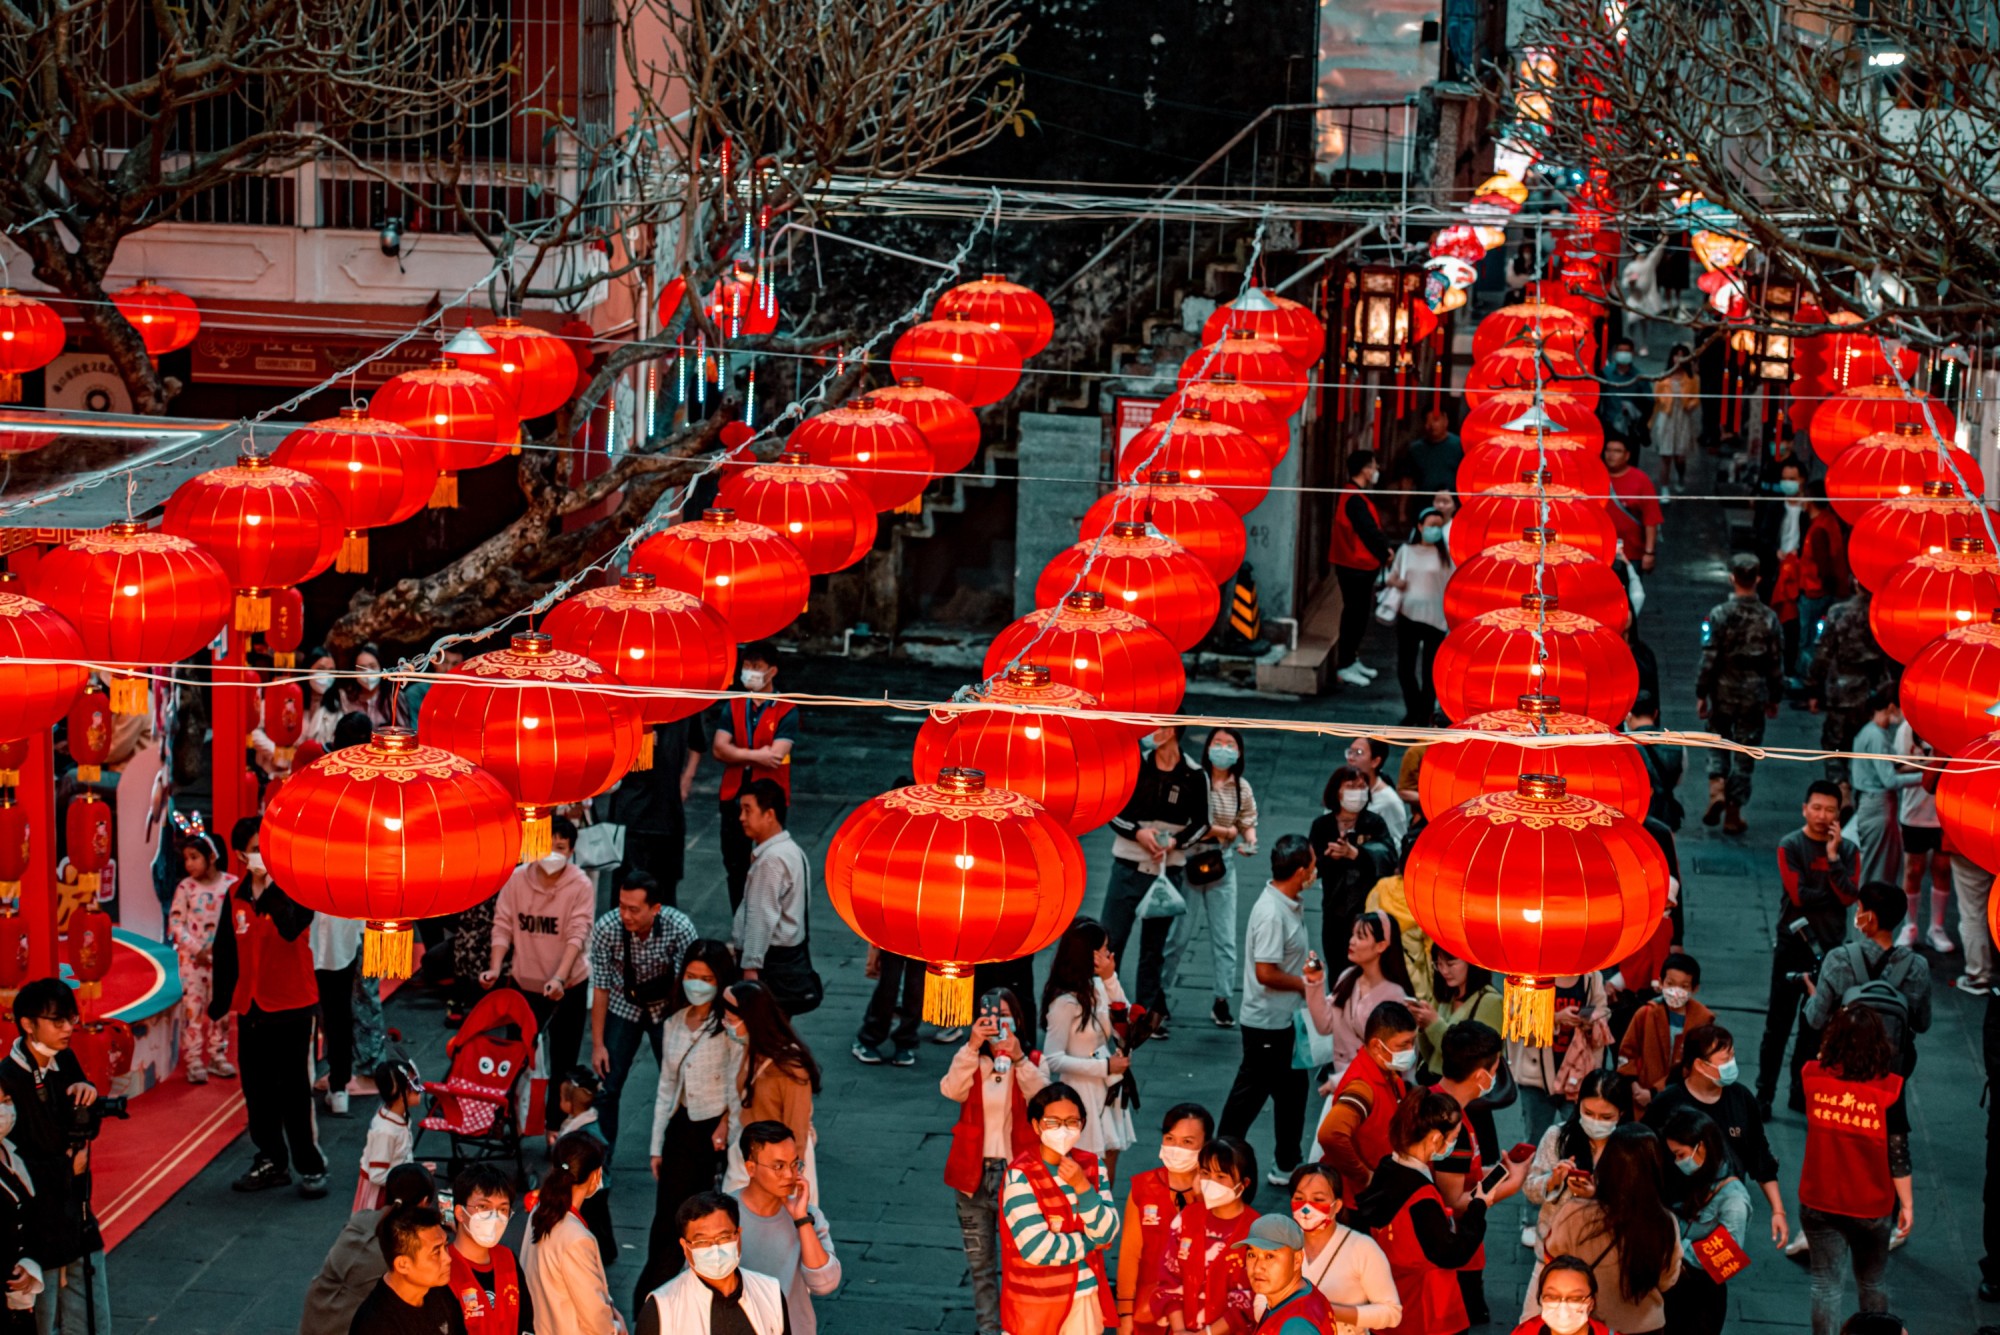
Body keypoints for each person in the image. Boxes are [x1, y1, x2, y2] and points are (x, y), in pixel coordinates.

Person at [211, 816, 327, 1196]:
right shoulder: (235, 896)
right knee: (257, 1089)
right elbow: (225, 950)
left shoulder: (298, 888)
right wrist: (220, 1000)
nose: (260, 855)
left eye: (266, 848)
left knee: (294, 1091)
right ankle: (270, 1160)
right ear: (242, 856)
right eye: (254, 849)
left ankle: (310, 1166)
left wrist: (271, 887)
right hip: (252, 1008)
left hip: (293, 1005)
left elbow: (293, 927)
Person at [1354, 1088, 1527, 1333]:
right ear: (1436, 1139)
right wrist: (1478, 1206)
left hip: (1390, 1296)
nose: (1454, 1144)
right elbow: (1452, 1253)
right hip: (1425, 1311)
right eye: (1454, 1137)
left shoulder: (1387, 1167)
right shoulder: (1421, 1197)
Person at [0, 980, 108, 1335]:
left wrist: (87, 1092)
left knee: (90, 1311)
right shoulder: (8, 1080)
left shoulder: (64, 1058)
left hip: (74, 1206)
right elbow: (15, 1164)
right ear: (28, 1024)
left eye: (71, 1018)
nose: (68, 1028)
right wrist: (67, 1165)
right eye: (57, 1020)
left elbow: (84, 1126)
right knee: (39, 1320)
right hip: (34, 1223)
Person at [640, 940, 745, 1306]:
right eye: (690, 975)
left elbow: (738, 1082)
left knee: (708, 1216)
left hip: (714, 1131)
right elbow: (666, 1086)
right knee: (666, 1218)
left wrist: (728, 1127)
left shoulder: (727, 1027)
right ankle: (657, 1293)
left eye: (706, 978)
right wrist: (656, 1146)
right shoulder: (673, 1023)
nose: (696, 983)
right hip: (681, 1129)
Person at [1800, 1004, 1911, 1335]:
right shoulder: (1890, 1089)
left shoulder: (1811, 1076)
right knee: (1872, 1281)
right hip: (1870, 1204)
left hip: (1819, 1199)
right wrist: (1906, 1204)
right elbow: (1898, 1153)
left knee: (1825, 1285)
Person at [484, 814, 595, 1130]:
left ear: (571, 851)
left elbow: (577, 934)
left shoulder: (580, 886)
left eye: (560, 847)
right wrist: (495, 968)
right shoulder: (517, 879)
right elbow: (503, 925)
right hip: (524, 983)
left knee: (563, 1060)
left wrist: (559, 977)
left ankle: (554, 1124)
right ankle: (503, 1118)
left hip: (568, 986)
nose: (553, 852)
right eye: (548, 845)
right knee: (514, 1057)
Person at [945, 989, 1047, 1335]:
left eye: (1005, 1016)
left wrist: (1019, 1060)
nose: (998, 1024)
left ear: (1017, 1020)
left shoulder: (1031, 1058)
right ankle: (989, 1328)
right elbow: (951, 1089)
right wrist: (972, 1046)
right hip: (972, 1173)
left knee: (1019, 1260)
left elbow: (1043, 1101)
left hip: (1016, 1174)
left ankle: (1017, 1325)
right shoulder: (972, 1059)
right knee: (980, 1263)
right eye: (991, 1017)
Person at [1760, 781, 1862, 1116]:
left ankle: (1799, 1092)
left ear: (1838, 814)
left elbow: (1850, 898)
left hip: (1831, 950)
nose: (1822, 815)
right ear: (1804, 808)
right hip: (1792, 944)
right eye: (1816, 808)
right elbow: (1799, 895)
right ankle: (1765, 1094)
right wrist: (1834, 890)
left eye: (1830, 810)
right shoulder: (1790, 845)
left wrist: (1833, 859)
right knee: (1778, 1023)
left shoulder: (1848, 851)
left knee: (1815, 1027)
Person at [1218, 838, 1314, 1187]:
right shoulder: (1272, 913)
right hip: (1268, 1025)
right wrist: (1305, 984)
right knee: (1250, 1096)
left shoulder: (1287, 904)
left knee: (1292, 1093)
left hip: (1283, 1022)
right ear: (1301, 871)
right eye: (1312, 865)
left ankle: (1287, 1162)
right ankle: (1220, 1156)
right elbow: (1266, 972)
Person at [1644, 1023, 1787, 1249]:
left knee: (1714, 1273)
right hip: (1672, 1212)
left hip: (1716, 1218)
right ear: (1700, 1065)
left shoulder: (1742, 1099)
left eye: (1732, 1056)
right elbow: (1644, 1155)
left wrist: (1777, 1210)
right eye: (1725, 1059)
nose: (1732, 1063)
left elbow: (1760, 1158)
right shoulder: (1667, 1103)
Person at [1103, 725, 1210, 1023]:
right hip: (1128, 865)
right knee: (1111, 940)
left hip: (1167, 870)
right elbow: (1111, 808)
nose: (1150, 732)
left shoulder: (1193, 774)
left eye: (1158, 725)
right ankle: (1107, 1006)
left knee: (1154, 947)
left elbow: (1202, 822)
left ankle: (1147, 1012)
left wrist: (1177, 842)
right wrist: (1138, 833)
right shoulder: (1134, 765)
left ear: (1174, 731)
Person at [588, 868, 698, 1150]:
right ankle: (601, 1161)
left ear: (656, 909)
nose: (626, 915)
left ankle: (675, 1151)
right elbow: (600, 988)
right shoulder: (607, 928)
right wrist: (598, 1044)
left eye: (634, 910)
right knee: (607, 1085)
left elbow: (688, 986)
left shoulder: (680, 928)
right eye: (622, 906)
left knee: (678, 1083)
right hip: (623, 1005)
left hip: (667, 1008)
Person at [1534, 1124, 1681, 1333]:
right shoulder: (1665, 1222)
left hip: (1589, 1324)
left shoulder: (1575, 1213)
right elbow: (1667, 1281)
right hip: (1646, 1325)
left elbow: (1555, 1261)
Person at [1000, 1083, 1121, 1335]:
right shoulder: (1021, 1175)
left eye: (1071, 1121)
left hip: (1085, 1295)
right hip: (1033, 1303)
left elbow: (1107, 1232)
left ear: (1082, 1123)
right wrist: (1089, 1243)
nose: (1063, 1130)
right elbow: (1036, 1248)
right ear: (1036, 1125)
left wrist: (1082, 1187)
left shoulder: (1093, 1167)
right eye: (1052, 1122)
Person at [1696, 552, 1785, 834]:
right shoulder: (1769, 618)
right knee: (1746, 753)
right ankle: (1733, 813)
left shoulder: (1719, 615)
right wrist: (1774, 697)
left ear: (1732, 577)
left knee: (1718, 741)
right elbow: (1776, 663)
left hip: (1722, 690)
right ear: (1758, 579)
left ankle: (1717, 790)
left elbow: (1708, 658)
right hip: (1754, 694)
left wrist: (1702, 692)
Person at [1175, 729, 1258, 1030]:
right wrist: (1225, 832)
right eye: (1217, 743)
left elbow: (1248, 822)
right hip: (1189, 860)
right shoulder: (1196, 780)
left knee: (1224, 939)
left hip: (1222, 864)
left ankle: (1222, 999)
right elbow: (1190, 823)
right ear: (1208, 747)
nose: (1223, 749)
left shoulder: (1241, 788)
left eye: (1230, 744)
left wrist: (1250, 841)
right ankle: (1160, 995)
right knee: (1178, 935)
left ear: (1239, 752)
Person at [1042, 919, 1135, 1181]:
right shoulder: (1064, 1003)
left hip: (1108, 1084)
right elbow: (1053, 1059)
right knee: (1089, 1160)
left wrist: (1110, 979)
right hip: (1081, 1089)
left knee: (1111, 1151)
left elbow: (1125, 1024)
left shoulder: (1097, 987)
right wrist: (1104, 1067)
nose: (1109, 955)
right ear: (1090, 954)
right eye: (1105, 949)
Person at [1428, 1022, 1508, 1323]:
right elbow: (1455, 1203)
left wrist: (1491, 1172)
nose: (1498, 1073)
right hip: (1454, 1254)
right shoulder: (1452, 1129)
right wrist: (1511, 1184)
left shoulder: (1436, 1099)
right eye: (1497, 1066)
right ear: (1480, 1075)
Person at [729, 1121, 839, 1335]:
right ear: (751, 1168)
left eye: (794, 1164)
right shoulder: (724, 1215)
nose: (789, 1175)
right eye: (778, 1166)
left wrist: (801, 1220)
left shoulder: (810, 1215)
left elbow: (825, 1284)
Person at [301, 1164, 437, 1335]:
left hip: (316, 1313)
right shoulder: (409, 1246)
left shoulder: (360, 1218)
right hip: (354, 1325)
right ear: (424, 1202)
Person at [711, 641, 797, 913]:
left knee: (769, 860)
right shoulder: (734, 705)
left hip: (769, 796)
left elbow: (777, 754)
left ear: (772, 671)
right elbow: (718, 748)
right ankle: (740, 919)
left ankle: (767, 918)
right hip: (733, 794)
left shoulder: (786, 709)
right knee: (734, 864)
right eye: (746, 667)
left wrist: (738, 752)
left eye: (756, 667)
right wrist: (757, 755)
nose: (749, 673)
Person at [637, 1192, 789, 1335]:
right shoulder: (662, 1308)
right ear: (685, 1247)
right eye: (702, 1241)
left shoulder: (770, 1292)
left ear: (738, 1236)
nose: (714, 1248)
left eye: (723, 1238)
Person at [1118, 1104, 1211, 1335]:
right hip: (1148, 1309)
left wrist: (1202, 1199)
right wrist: (1125, 1315)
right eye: (1170, 1138)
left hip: (1198, 1312)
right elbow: (1130, 1255)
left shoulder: (1217, 1192)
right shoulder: (1142, 1188)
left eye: (1187, 1142)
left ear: (1206, 1145)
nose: (1176, 1147)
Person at [1151, 1138, 1260, 1335]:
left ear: (1244, 1183)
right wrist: (1179, 1329)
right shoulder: (1186, 1219)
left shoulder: (1257, 1232)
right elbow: (1168, 1278)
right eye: (1205, 1173)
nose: (1211, 1183)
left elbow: (1250, 1298)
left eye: (1221, 1176)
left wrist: (1207, 1334)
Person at [722, 981, 821, 1198]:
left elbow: (797, 1129)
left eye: (730, 1020)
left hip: (779, 1163)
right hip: (746, 1154)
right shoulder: (747, 1049)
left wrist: (791, 1180)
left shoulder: (791, 1069)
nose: (726, 1025)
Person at [1659, 1108, 1752, 1335]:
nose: (1678, 1161)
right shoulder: (1694, 1179)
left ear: (1702, 1147)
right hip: (1673, 1288)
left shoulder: (1734, 1200)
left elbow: (1724, 1258)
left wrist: (1673, 1248)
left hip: (1701, 1298)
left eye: (1681, 1154)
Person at [1523, 1071, 1637, 1253]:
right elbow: (1530, 1189)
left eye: (1606, 1117)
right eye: (1588, 1113)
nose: (1596, 1122)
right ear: (1578, 1105)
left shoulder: (1631, 1147)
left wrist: (1596, 1196)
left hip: (1604, 1252)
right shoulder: (1558, 1136)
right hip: (1553, 1250)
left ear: (1621, 1113)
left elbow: (1638, 1205)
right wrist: (1552, 1181)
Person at [1317, 1002, 1420, 1203]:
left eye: (1413, 1042)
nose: (1411, 1050)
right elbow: (1330, 1134)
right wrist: (1363, 1175)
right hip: (1358, 1201)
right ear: (1375, 1045)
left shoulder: (1388, 1075)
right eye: (1403, 1045)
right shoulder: (1362, 1088)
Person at [522, 1133, 621, 1335]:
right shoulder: (577, 1238)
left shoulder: (540, 1211)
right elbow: (594, 1315)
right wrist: (616, 1327)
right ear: (595, 1175)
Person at [605, 712, 708, 905]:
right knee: (627, 888)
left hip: (668, 811)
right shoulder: (629, 698)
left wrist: (687, 778)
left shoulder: (684, 698)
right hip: (631, 813)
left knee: (665, 891)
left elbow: (698, 743)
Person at [734, 778, 817, 1016]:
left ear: (769, 814)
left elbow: (762, 916)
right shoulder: (792, 851)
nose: (741, 817)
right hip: (787, 955)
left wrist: (750, 966)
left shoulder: (772, 859)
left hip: (771, 962)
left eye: (748, 810)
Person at [1281, 1164, 1399, 1328]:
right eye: (1299, 1198)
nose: (1306, 1207)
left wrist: (1327, 1310)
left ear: (1337, 1205)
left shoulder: (1362, 1248)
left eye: (1318, 1200)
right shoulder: (1281, 1243)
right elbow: (1260, 1303)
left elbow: (1391, 1313)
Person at [1808, 592, 1894, 810]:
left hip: (1840, 690)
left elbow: (1824, 654)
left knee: (1834, 744)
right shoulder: (1883, 615)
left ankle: (1841, 787)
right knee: (1863, 747)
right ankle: (1861, 793)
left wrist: (1814, 689)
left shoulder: (1838, 613)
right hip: (1870, 691)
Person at [1304, 912, 1415, 1077]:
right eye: (1353, 934)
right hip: (1343, 1078)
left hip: (1372, 1087)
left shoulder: (1395, 996)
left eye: (1361, 936)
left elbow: (1390, 1060)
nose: (1352, 941)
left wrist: (1338, 1080)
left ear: (1381, 945)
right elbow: (1324, 1025)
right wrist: (1315, 982)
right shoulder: (1348, 977)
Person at [1508, 971, 1610, 1148]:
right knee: (1534, 1143)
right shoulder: (1529, 974)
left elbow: (1603, 1011)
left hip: (1577, 1077)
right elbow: (1517, 1022)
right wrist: (1555, 1018)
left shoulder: (1592, 977)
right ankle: (1534, 1176)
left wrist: (1591, 1020)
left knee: (1578, 1142)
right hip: (1536, 1080)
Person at [167, 830, 236, 1083]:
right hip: (193, 964)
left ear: (211, 857)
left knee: (221, 1009)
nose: (189, 864)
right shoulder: (185, 888)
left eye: (194, 857)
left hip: (223, 962)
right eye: (186, 859)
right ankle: (194, 1059)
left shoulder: (231, 884)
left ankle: (218, 1055)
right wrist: (198, 949)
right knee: (193, 1011)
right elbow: (176, 924)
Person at [1306, 768, 1393, 962]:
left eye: (1362, 786)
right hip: (1333, 910)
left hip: (1367, 907)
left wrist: (1356, 854)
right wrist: (1329, 858)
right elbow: (1312, 867)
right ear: (1337, 791)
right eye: (1351, 786)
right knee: (1336, 963)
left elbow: (1387, 859)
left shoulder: (1374, 823)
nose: (1357, 791)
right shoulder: (1322, 825)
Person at [347, 1204, 467, 1335]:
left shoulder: (438, 1290)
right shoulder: (376, 1326)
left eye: (445, 1246)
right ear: (403, 1264)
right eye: (436, 1252)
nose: (448, 1258)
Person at [1385, 507, 1454, 724]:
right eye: (1431, 525)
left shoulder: (1447, 556)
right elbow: (1390, 577)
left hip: (1436, 618)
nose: (1434, 530)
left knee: (1430, 671)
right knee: (1405, 669)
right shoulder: (1406, 551)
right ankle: (1413, 709)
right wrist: (1399, 583)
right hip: (1408, 615)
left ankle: (1424, 714)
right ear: (1420, 527)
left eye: (1438, 526)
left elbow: (1454, 584)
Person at [1330, 450, 1393, 687]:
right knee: (1354, 616)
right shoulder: (1354, 498)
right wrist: (1385, 551)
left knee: (1357, 615)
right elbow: (1368, 531)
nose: (1376, 472)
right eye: (1374, 467)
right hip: (1354, 565)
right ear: (1366, 470)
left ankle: (1351, 658)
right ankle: (1345, 664)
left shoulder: (1353, 495)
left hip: (1355, 564)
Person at [446, 1165, 534, 1335]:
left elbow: (526, 1321)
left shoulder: (507, 1258)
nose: (494, 1217)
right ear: (459, 1212)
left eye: (503, 1209)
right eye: (483, 1207)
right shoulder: (444, 1268)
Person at [1891, 720, 1953, 952]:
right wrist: (1932, 763)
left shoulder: (1952, 724)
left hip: (1943, 812)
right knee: (1913, 870)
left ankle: (1936, 928)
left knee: (1942, 868)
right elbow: (1898, 766)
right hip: (1914, 812)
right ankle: (1910, 926)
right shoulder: (1907, 729)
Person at [1617, 952, 1713, 1100]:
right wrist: (1634, 1086)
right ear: (1661, 982)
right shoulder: (1645, 1014)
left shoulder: (1703, 1020)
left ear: (1694, 989)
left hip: (1683, 1098)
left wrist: (1655, 1093)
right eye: (1670, 984)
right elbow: (1627, 1053)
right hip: (1641, 1095)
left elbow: (1697, 1064)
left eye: (1684, 986)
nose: (1676, 991)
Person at [1845, 689, 1912, 887]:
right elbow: (1890, 779)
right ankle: (1867, 914)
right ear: (1892, 706)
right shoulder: (1875, 735)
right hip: (1877, 806)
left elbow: (1896, 764)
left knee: (1883, 866)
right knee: (1876, 868)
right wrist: (1925, 776)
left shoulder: (1875, 732)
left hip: (1878, 805)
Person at [1234, 1215, 1336, 1335]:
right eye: (1252, 1255)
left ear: (1297, 1260)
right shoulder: (1298, 1294)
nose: (1257, 1267)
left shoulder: (1297, 1326)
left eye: (1270, 1256)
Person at [555, 1069, 617, 1264]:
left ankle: (601, 1252)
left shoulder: (584, 1131)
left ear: (569, 1103)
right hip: (599, 1182)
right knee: (600, 1218)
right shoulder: (587, 1122)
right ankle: (608, 1249)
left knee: (592, 1219)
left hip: (592, 1183)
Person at [1414, 947, 1503, 1077]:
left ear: (1471, 962)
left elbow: (1475, 1060)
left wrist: (1434, 1024)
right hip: (1436, 1082)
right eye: (1439, 964)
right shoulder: (1445, 997)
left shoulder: (1490, 1001)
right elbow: (1432, 1057)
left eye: (1450, 964)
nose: (1444, 971)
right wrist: (1423, 1026)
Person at [1797, 481, 1852, 675]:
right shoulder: (1828, 522)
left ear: (1811, 500)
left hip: (1815, 593)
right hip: (1823, 591)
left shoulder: (1819, 530)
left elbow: (1823, 566)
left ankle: (1807, 681)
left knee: (1809, 641)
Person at [313, 910, 363, 1116]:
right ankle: (339, 1087)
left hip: (310, 937)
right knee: (339, 1014)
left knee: (307, 1017)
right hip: (340, 937)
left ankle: (336, 1085)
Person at [354, 1059, 420, 1211]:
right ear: (397, 1090)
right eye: (413, 1085)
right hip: (381, 1196)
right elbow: (377, 1175)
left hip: (394, 1186)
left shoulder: (397, 1117)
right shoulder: (386, 1131)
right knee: (379, 1231)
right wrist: (410, 1178)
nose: (418, 1090)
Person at [1508, 1255, 1613, 1335]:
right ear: (1541, 1299)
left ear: (1591, 1302)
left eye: (1575, 1298)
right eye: (1552, 1297)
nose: (1563, 1307)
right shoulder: (1525, 1332)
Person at [1603, 438, 1662, 576]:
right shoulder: (1594, 477)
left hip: (1632, 554)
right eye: (1608, 450)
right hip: (1600, 552)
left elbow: (1651, 519)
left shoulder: (1641, 480)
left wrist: (1649, 552)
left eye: (1617, 451)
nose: (1611, 455)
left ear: (1627, 455)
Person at [1651, 346, 1699, 496]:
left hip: (1683, 418)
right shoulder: (1663, 377)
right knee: (1665, 456)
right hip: (1667, 417)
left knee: (1680, 455)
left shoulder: (1692, 379)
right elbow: (1656, 396)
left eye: (1682, 355)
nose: (1679, 358)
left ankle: (1680, 476)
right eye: (1676, 355)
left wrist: (1690, 405)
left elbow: (1696, 398)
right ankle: (1664, 488)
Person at [1343, 739, 1408, 848]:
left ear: (1375, 762)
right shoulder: (1340, 787)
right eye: (1350, 752)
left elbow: (1398, 844)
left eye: (1358, 753)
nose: (1350, 758)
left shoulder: (1390, 801)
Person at [1398, 412, 1464, 505]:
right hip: (1424, 503)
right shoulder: (1415, 449)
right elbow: (1407, 481)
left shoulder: (1460, 446)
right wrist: (1401, 511)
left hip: (1454, 503)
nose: (1432, 425)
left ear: (1445, 421)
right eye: (1427, 421)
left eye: (1435, 420)